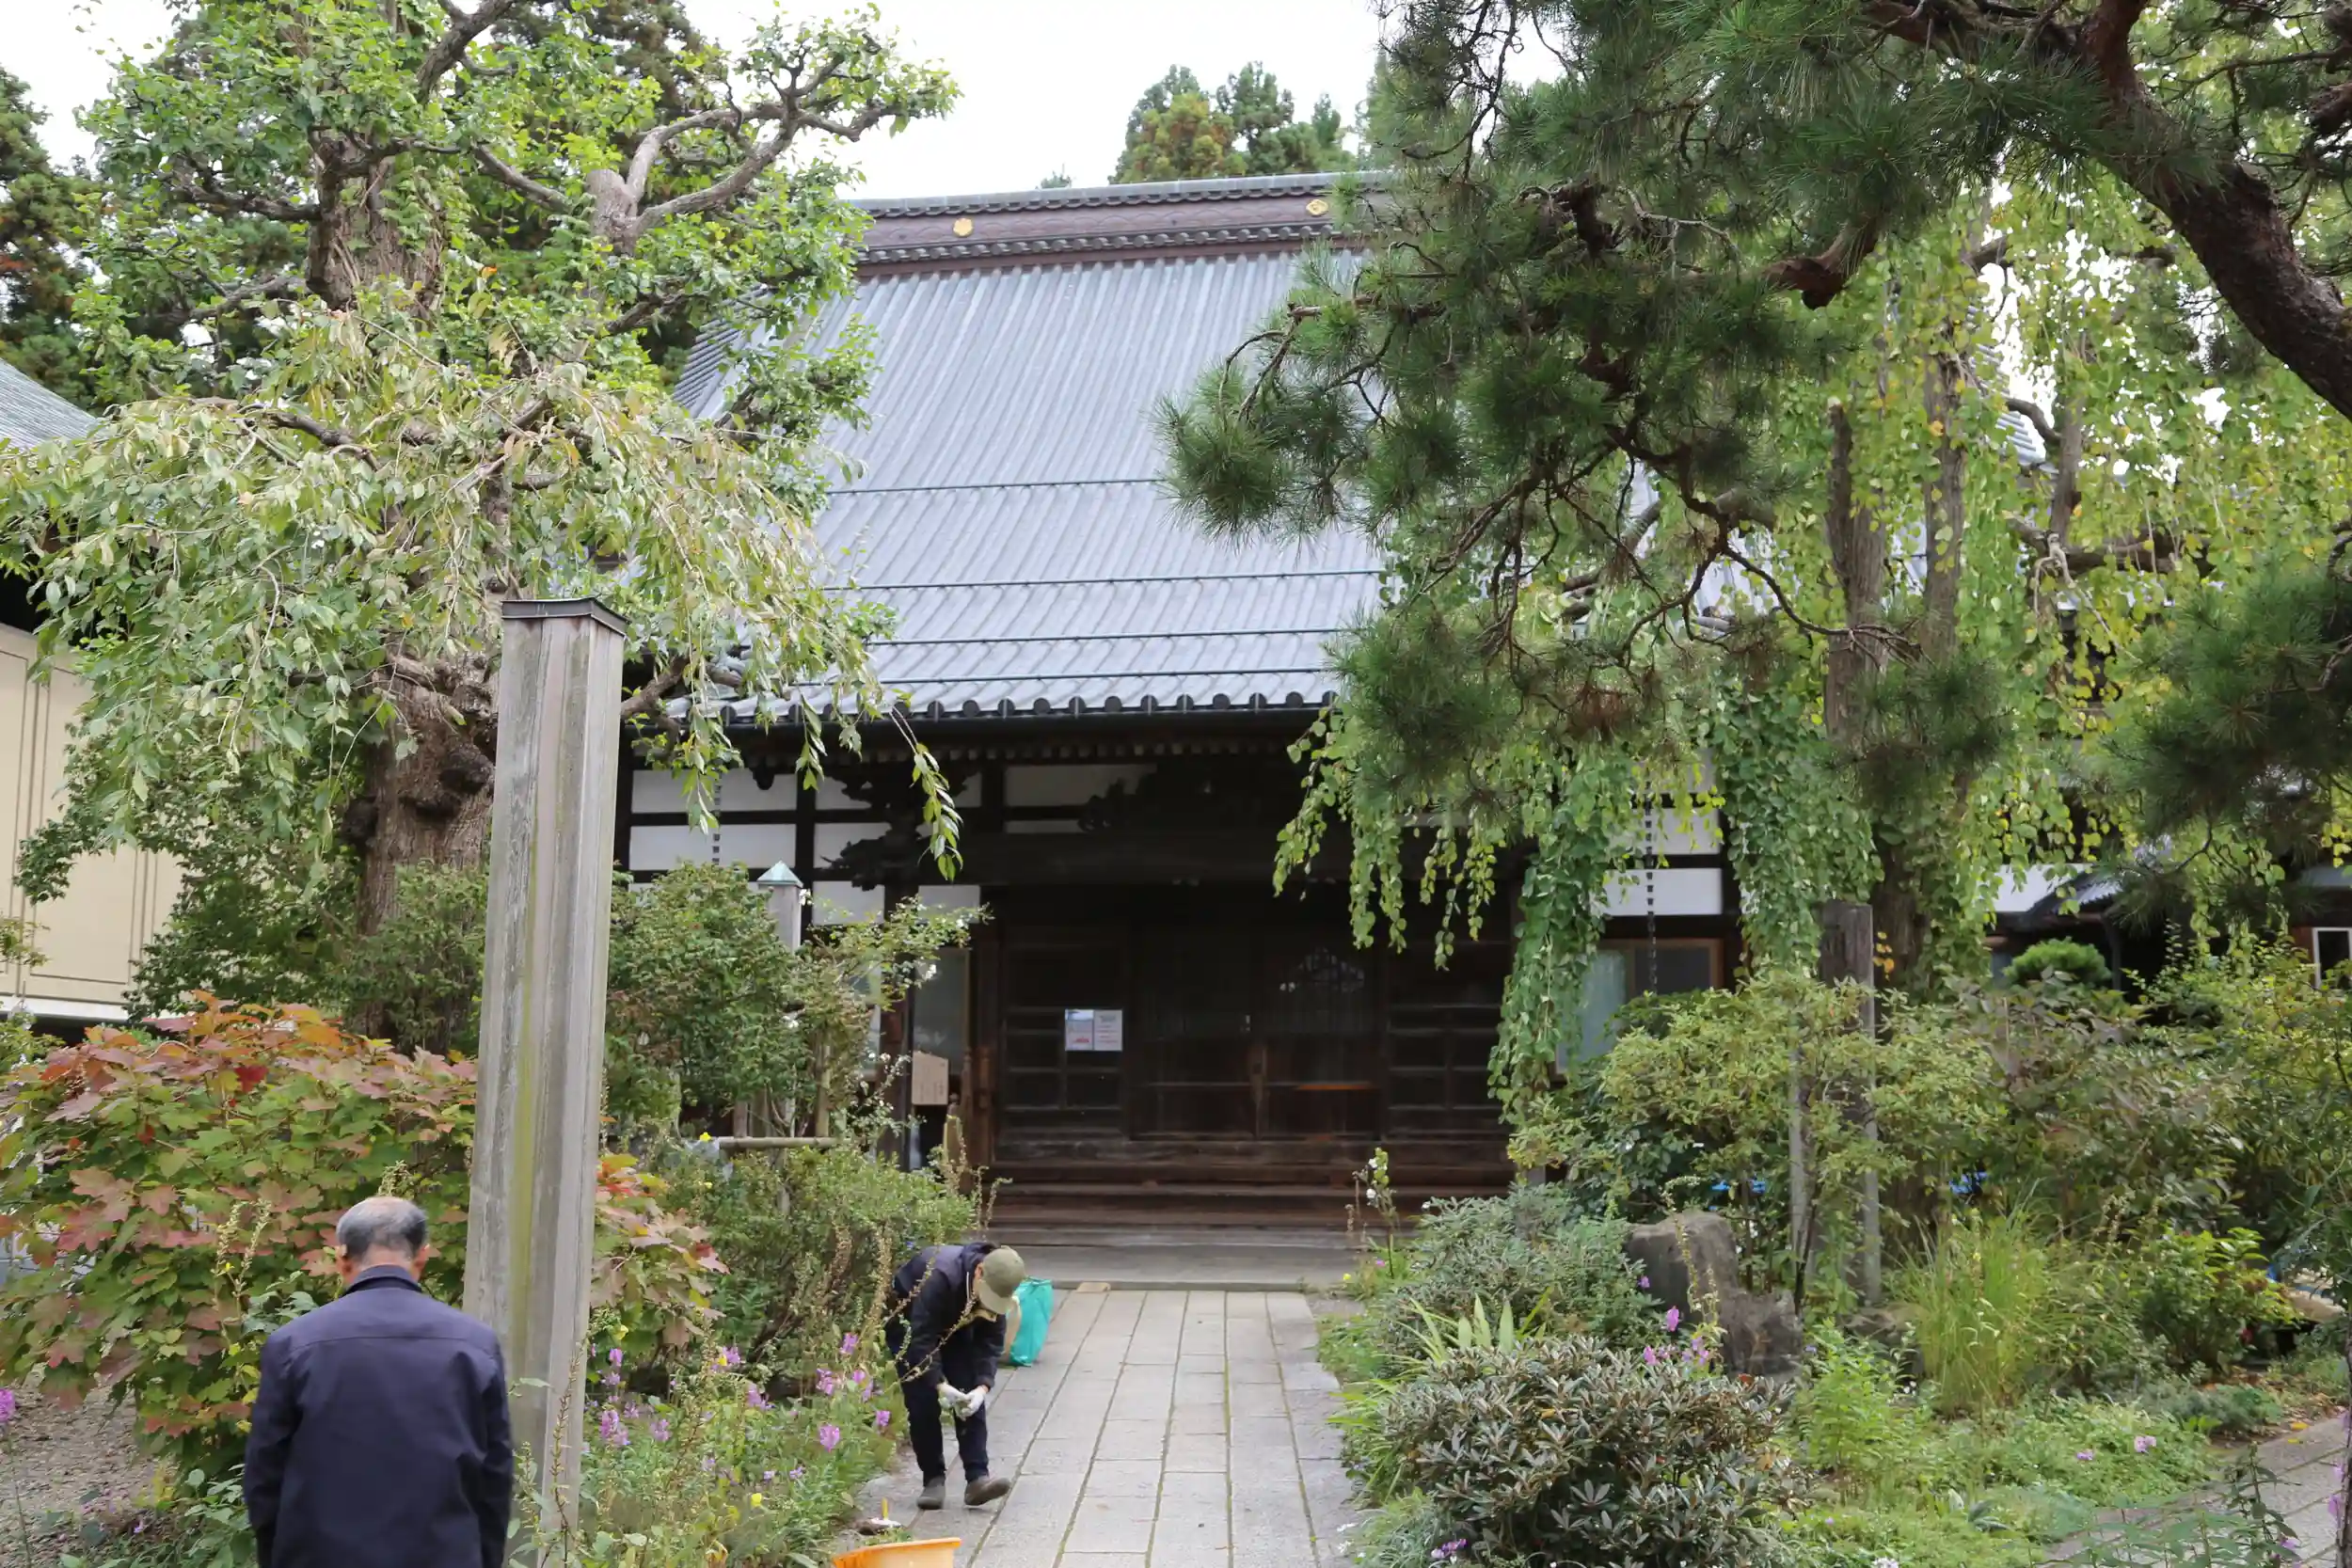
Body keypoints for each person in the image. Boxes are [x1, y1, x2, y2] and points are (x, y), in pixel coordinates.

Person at [244, 1195, 514, 1568]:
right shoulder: (474, 1345)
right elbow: (494, 1478)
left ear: (342, 1259)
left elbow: (265, 1476)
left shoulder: (294, 1345)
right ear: (422, 1258)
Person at [885, 1240, 1025, 1511]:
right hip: (910, 1324)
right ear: (979, 1272)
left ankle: (977, 1478)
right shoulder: (939, 1277)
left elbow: (990, 1344)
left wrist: (982, 1387)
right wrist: (939, 1385)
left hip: (958, 1324)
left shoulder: (998, 1284)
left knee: (968, 1390)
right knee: (921, 1399)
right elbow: (921, 1339)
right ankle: (933, 1479)